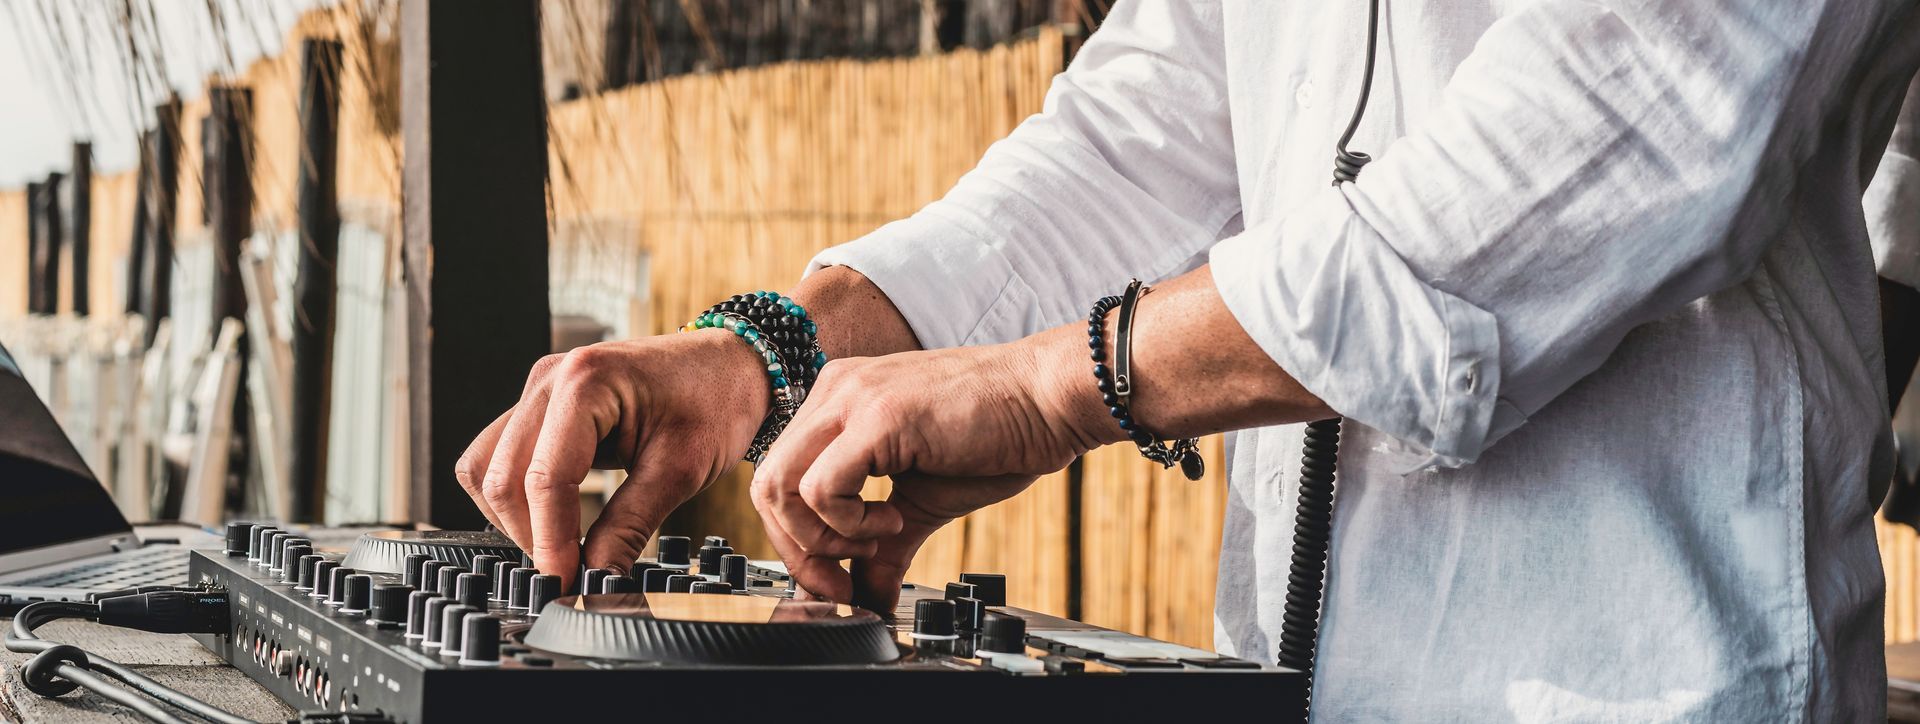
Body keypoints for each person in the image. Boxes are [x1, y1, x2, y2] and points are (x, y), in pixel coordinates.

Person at [458, 1, 1920, 719]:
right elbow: (1133, 141)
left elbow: (1627, 121)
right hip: (1290, 676)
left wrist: (1054, 387)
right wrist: (766, 352)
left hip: (1650, 684)